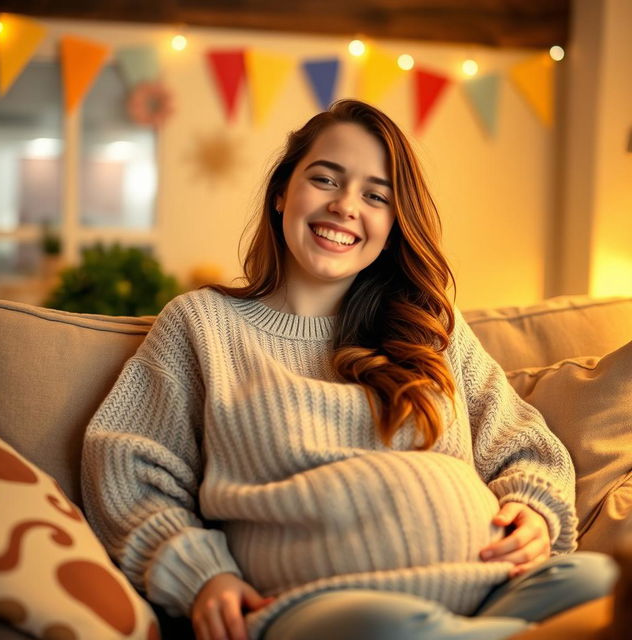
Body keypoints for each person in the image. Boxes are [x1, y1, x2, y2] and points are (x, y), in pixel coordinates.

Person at [81, 99, 617, 640]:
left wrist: (533, 510)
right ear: (280, 193)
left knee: (598, 580)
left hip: (491, 585)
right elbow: (129, 466)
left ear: (392, 224)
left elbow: (523, 442)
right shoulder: (202, 325)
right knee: (394, 630)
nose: (345, 206)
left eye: (375, 195)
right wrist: (199, 573)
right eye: (325, 179)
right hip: (327, 609)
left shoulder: (430, 326)